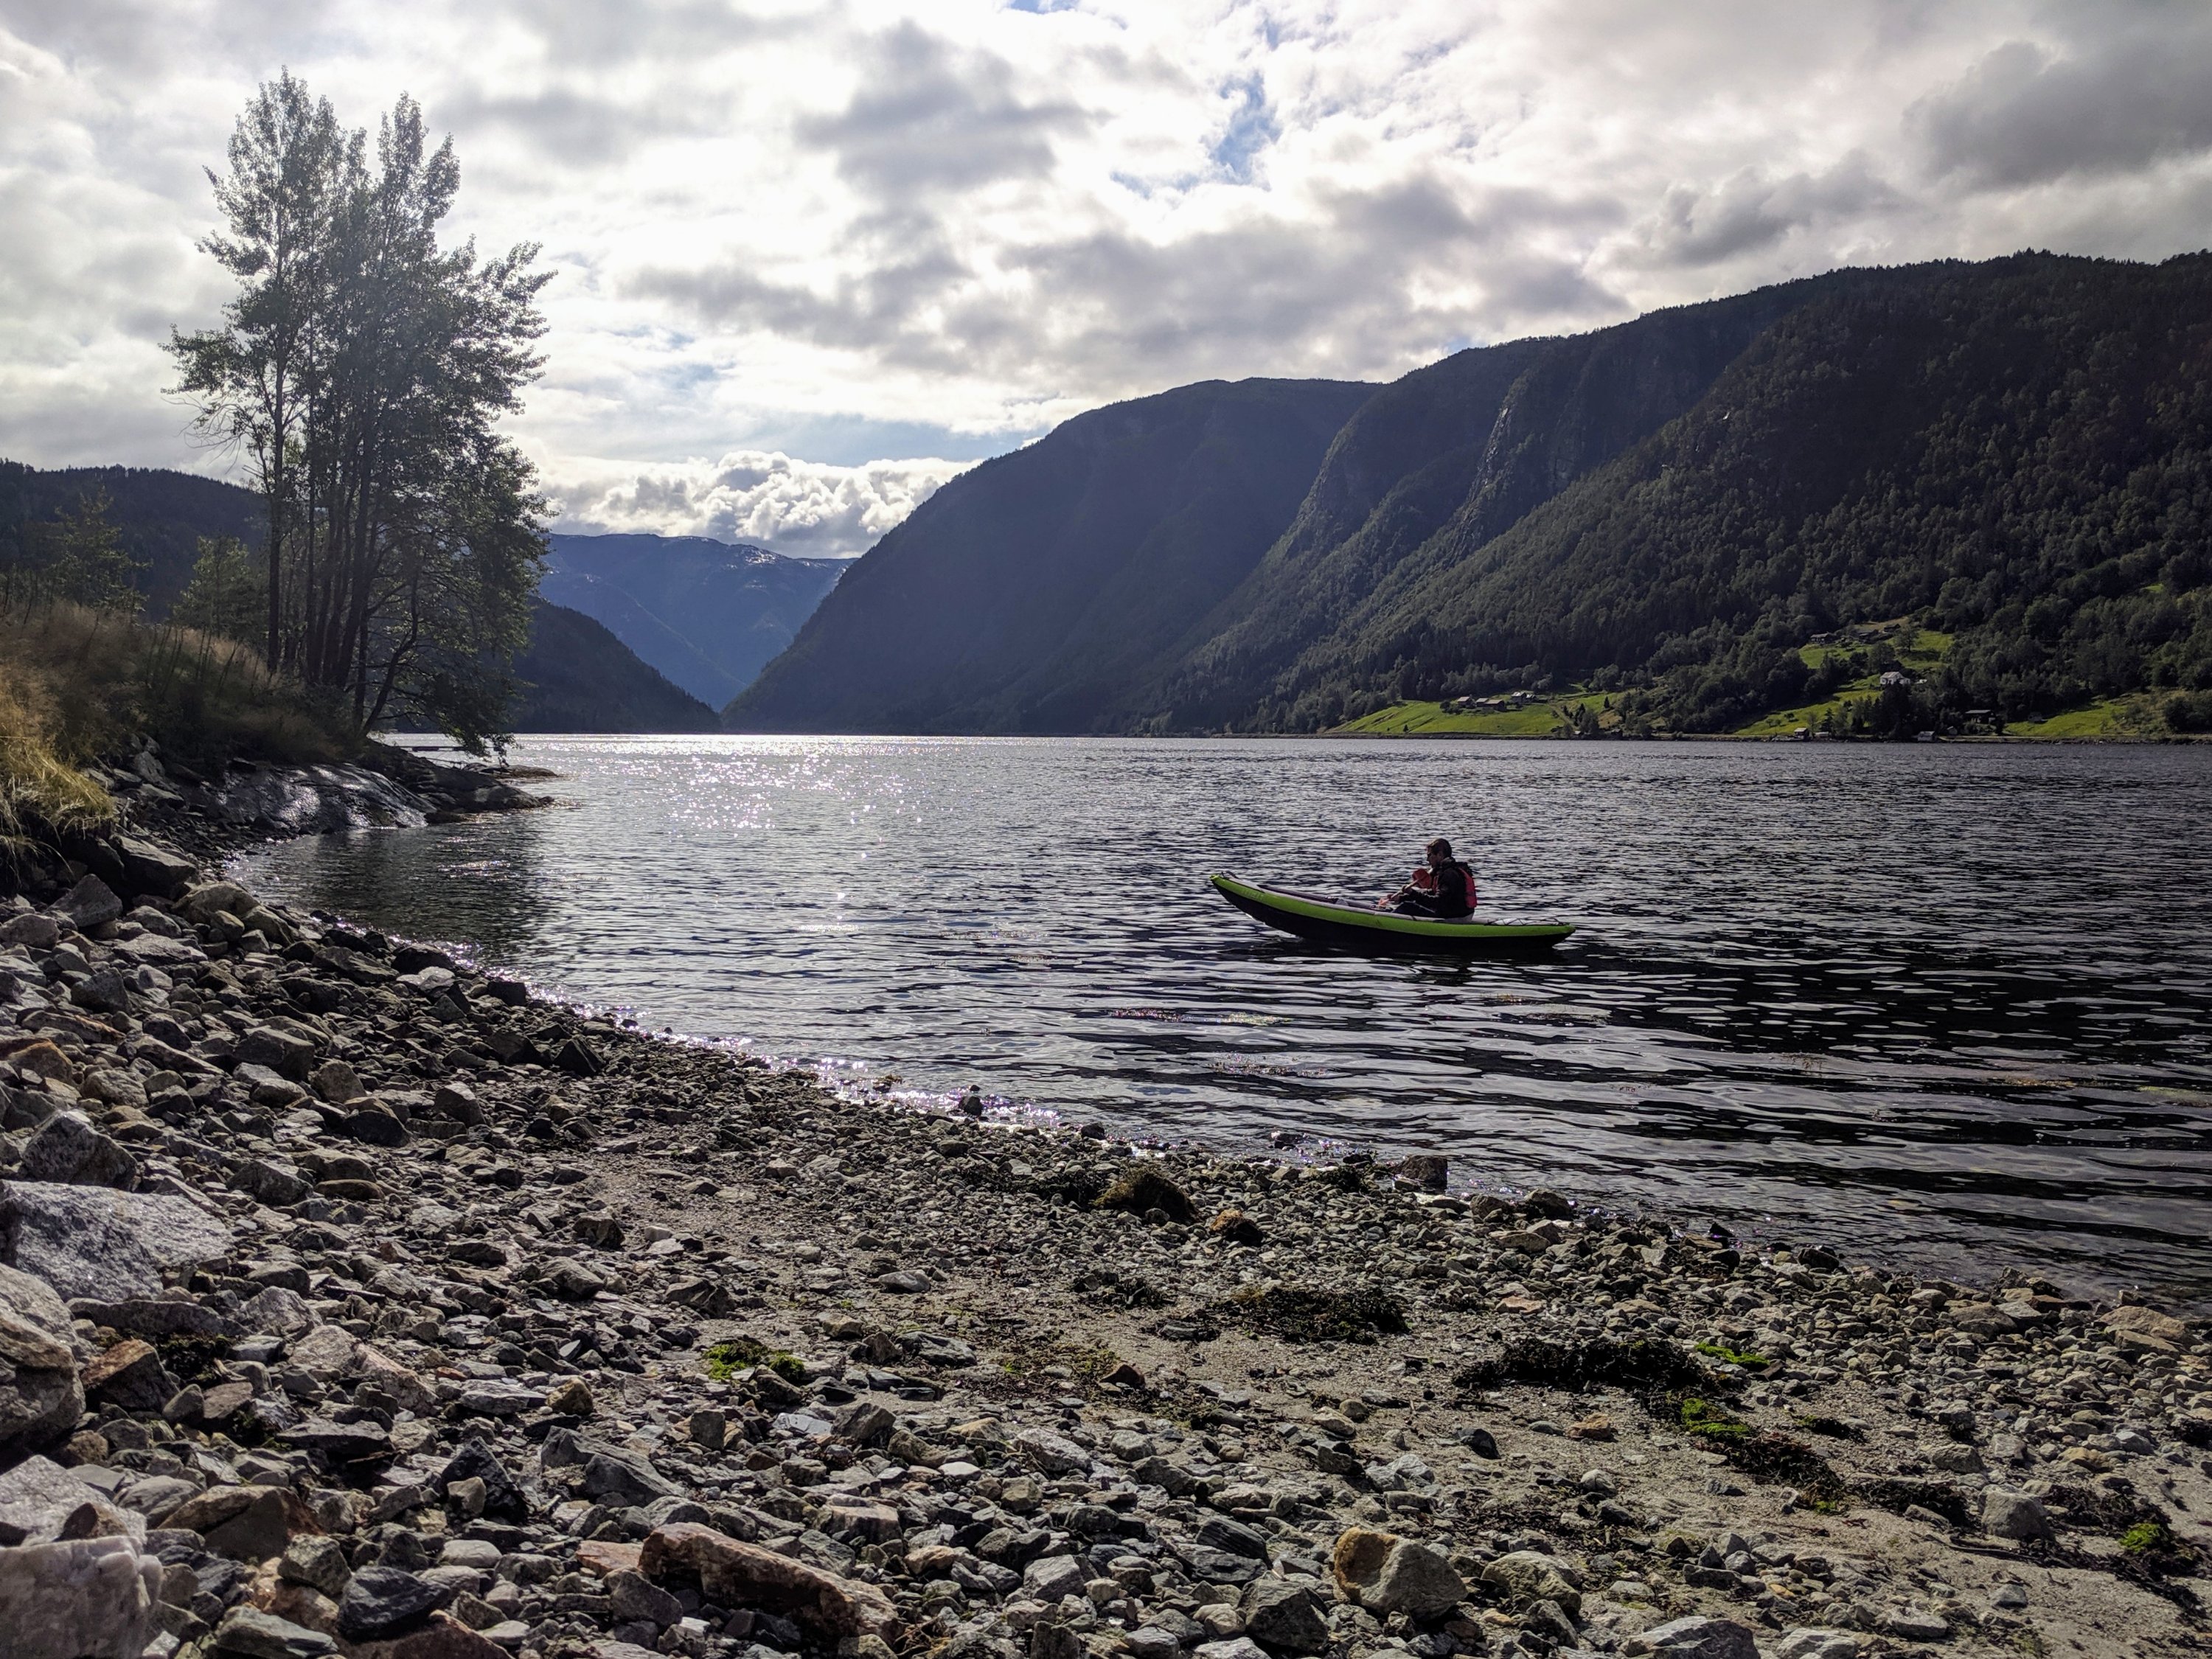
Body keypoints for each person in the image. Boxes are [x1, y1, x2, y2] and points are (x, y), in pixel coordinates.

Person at [1381, 838, 1477, 918]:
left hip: (1455, 917)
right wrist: (1402, 898)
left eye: (1429, 855)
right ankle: (1388, 913)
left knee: (1407, 907)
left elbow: (1437, 902)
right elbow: (1433, 893)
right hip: (1454, 913)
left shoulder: (1449, 875)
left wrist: (1413, 893)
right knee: (1406, 903)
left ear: (1440, 855)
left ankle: (1385, 921)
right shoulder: (1444, 871)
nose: (1427, 860)